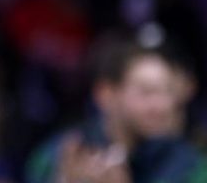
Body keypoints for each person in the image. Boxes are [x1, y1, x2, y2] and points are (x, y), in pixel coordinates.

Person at [25, 34, 207, 183]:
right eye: (147, 92)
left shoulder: (188, 165)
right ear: (106, 94)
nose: (163, 105)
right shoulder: (59, 154)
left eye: (167, 91)